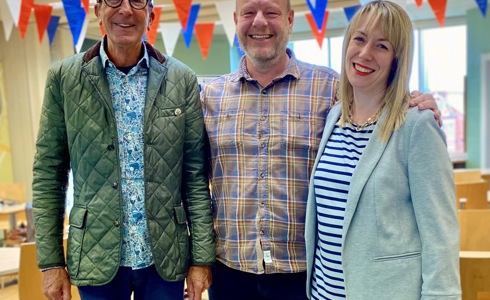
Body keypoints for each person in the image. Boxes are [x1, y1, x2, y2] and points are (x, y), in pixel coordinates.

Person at [201, 0, 442, 299]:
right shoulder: (210, 97)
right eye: (249, 13)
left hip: (305, 276)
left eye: (272, 13)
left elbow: (379, 97)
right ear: (236, 20)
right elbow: (197, 184)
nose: (259, 22)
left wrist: (416, 100)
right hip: (230, 272)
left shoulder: (331, 88)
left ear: (290, 20)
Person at [32, 0, 214, 299]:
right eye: (113, 0)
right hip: (94, 253)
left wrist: (201, 259)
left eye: (137, 1)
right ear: (97, 12)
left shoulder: (181, 79)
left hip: (166, 255)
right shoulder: (64, 78)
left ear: (151, 15)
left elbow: (195, 177)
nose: (126, 10)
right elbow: (48, 173)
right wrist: (51, 263)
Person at [304, 1, 461, 299]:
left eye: (382, 46)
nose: (365, 54)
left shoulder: (417, 125)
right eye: (360, 39)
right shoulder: (334, 117)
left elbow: (441, 236)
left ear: (396, 60)